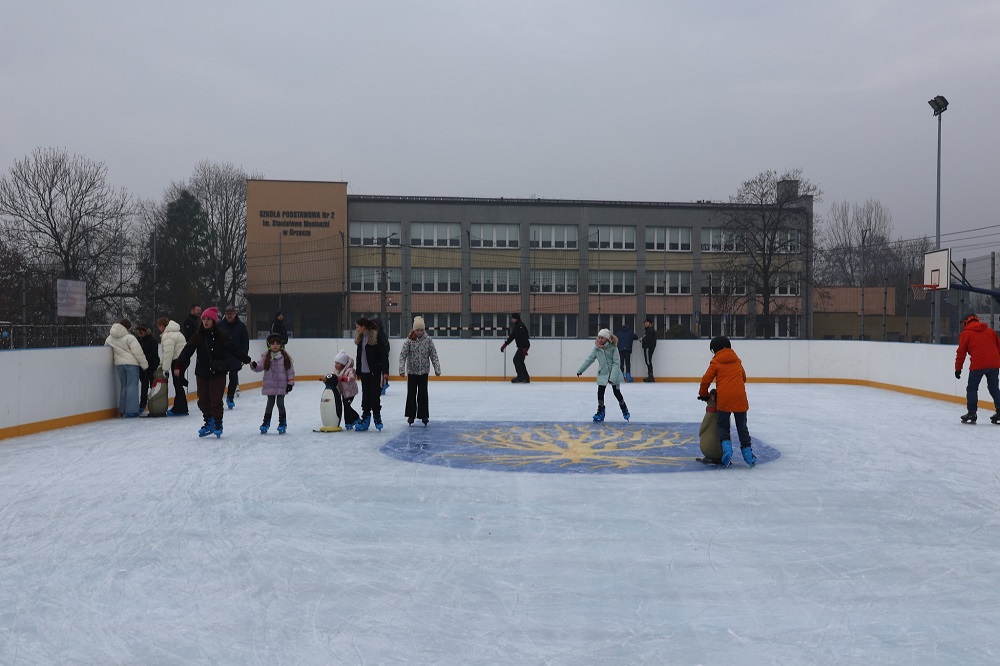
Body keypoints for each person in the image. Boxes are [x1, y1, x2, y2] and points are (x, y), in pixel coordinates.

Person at [175, 307, 250, 438]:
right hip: (202, 372)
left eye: (208, 319)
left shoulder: (222, 335)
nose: (205, 321)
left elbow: (234, 349)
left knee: (215, 399)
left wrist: (246, 359)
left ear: (213, 321)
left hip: (218, 371)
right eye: (203, 319)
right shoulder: (199, 335)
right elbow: (188, 350)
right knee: (202, 399)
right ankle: (208, 421)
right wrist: (178, 365)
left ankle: (217, 423)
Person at [698, 336, 756, 468]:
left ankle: (727, 450)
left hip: (724, 399)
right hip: (740, 398)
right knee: (742, 427)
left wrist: (703, 394)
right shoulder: (737, 361)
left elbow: (706, 380)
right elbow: (744, 378)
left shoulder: (716, 362)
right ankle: (748, 455)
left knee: (723, 425)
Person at [955, 313, 1000, 425]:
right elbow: (999, 347)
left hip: (978, 365)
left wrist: (958, 369)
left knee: (972, 388)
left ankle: (972, 413)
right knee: (994, 388)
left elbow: (961, 353)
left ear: (966, 322)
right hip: (994, 364)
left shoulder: (966, 333)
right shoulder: (990, 332)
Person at [576, 328, 630, 422]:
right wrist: (581, 370)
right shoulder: (596, 349)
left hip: (615, 374)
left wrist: (612, 378)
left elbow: (616, 363)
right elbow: (589, 359)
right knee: (600, 392)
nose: (600, 339)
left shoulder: (613, 348)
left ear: (607, 339)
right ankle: (601, 410)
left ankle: (624, 408)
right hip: (603, 374)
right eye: (599, 337)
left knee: (617, 393)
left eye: (602, 338)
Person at [398, 316, 442, 426]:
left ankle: (424, 415)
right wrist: (401, 369)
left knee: (423, 393)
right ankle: (411, 415)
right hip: (412, 372)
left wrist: (437, 369)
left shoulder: (428, 340)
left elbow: (434, 355)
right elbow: (403, 355)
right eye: (417, 330)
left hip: (423, 372)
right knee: (411, 393)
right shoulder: (409, 341)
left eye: (421, 330)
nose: (419, 332)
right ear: (414, 330)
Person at [250, 334, 296, 434]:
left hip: (281, 385)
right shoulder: (265, 357)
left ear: (281, 345)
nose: (275, 346)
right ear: (269, 345)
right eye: (272, 343)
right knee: (270, 403)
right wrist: (254, 366)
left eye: (277, 343)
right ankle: (266, 423)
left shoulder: (285, 357)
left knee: (280, 403)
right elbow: (259, 367)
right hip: (270, 384)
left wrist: (290, 383)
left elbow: (290, 371)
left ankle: (282, 423)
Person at [105, 318, 149, 418]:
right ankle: (132, 411)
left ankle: (123, 410)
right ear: (127, 328)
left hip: (119, 364)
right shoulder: (130, 338)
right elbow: (138, 353)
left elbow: (105, 349)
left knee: (124, 386)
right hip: (132, 364)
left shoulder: (109, 338)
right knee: (132, 386)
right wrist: (144, 365)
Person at [354, 316, 390, 431]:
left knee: (374, 396)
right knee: (365, 397)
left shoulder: (375, 337)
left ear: (363, 327)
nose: (356, 329)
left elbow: (383, 355)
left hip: (374, 372)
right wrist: (358, 370)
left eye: (357, 327)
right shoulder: (360, 339)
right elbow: (359, 356)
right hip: (364, 373)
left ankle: (377, 417)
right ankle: (365, 418)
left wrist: (385, 371)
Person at [218, 306, 250, 410]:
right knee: (221, 377)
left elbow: (245, 342)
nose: (229, 315)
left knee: (234, 376)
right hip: (222, 355)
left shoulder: (241, 326)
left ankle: (230, 397)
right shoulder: (220, 325)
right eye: (227, 313)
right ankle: (218, 398)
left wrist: (244, 356)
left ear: (235, 314)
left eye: (231, 313)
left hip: (236, 355)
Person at [157, 317, 190, 416]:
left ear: (162, 326)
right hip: (183, 360)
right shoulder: (177, 332)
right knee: (178, 383)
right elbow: (167, 354)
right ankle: (181, 407)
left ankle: (180, 408)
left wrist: (165, 369)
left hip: (177, 361)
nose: (159, 329)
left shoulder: (168, 335)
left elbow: (168, 353)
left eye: (159, 326)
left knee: (177, 384)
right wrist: (161, 363)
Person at [134, 324, 160, 414]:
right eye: (138, 332)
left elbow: (154, 354)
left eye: (141, 332)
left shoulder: (153, 340)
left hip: (152, 366)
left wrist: (142, 357)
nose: (139, 333)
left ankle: (154, 403)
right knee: (144, 386)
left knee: (153, 386)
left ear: (145, 331)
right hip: (142, 367)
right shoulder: (137, 341)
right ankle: (142, 404)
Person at [333, 350, 361, 429]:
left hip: (350, 392)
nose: (336, 365)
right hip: (344, 393)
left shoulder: (350, 370)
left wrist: (344, 379)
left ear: (343, 364)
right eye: (335, 363)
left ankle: (354, 419)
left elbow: (352, 378)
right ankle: (350, 421)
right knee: (346, 406)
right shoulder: (338, 372)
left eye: (338, 363)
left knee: (347, 406)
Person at [501, 313, 531, 383]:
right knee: (520, 361)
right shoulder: (517, 326)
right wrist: (505, 345)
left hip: (524, 345)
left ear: (516, 319)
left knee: (516, 360)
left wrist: (524, 348)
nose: (512, 319)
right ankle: (526, 378)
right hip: (523, 346)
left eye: (512, 318)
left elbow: (525, 337)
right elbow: (512, 336)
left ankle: (520, 377)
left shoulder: (520, 326)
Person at [641, 317, 657, 382]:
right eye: (645, 322)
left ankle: (650, 376)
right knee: (648, 361)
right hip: (648, 347)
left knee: (648, 361)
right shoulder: (648, 330)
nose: (646, 323)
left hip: (648, 347)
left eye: (647, 322)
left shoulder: (650, 330)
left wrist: (642, 340)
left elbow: (648, 338)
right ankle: (650, 375)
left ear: (650, 323)